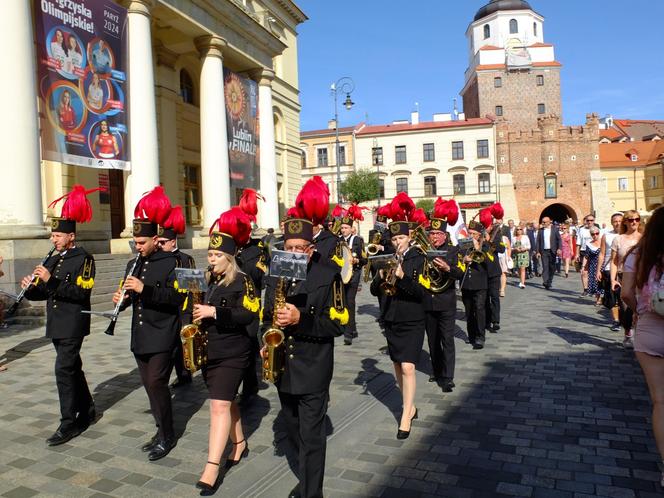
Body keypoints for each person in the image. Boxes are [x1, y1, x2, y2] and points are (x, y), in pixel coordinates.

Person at [261, 212, 348, 498]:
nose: (295, 253)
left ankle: (312, 492)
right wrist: (265, 340)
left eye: (301, 248)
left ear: (311, 250)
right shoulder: (276, 271)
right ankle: (307, 475)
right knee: (293, 427)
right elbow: (266, 315)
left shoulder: (329, 275)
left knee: (312, 436)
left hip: (313, 367)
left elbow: (337, 324)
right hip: (283, 364)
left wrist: (302, 319)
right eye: (290, 248)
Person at [20, 186, 97, 445]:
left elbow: (80, 293)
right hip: (56, 323)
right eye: (52, 235)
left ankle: (69, 422)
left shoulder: (84, 259)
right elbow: (45, 294)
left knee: (63, 370)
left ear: (71, 236)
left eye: (58, 235)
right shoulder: (53, 259)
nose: (54, 240)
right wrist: (30, 289)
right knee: (72, 367)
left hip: (73, 322)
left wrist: (50, 280)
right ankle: (87, 408)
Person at [113, 186, 185, 461]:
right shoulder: (134, 263)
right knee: (149, 386)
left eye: (142, 242)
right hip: (140, 334)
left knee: (157, 383)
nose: (137, 247)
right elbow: (133, 296)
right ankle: (160, 429)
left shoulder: (171, 262)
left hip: (163, 334)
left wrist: (145, 290)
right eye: (135, 242)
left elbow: (176, 297)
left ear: (156, 239)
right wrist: (123, 298)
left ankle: (167, 435)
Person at [194, 207, 258, 493]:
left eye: (217, 256)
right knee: (226, 399)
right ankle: (240, 441)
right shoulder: (208, 280)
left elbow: (248, 315)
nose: (212, 260)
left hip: (234, 350)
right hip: (211, 349)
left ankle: (211, 466)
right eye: (210, 255)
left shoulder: (243, 280)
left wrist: (214, 312)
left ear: (229, 257)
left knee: (218, 405)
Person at [370, 215, 426, 438]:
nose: (397, 242)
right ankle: (409, 405)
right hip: (391, 317)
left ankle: (405, 415)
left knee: (408, 367)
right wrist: (380, 275)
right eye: (394, 239)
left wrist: (402, 277)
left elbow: (421, 293)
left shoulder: (418, 257)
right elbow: (375, 291)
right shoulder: (387, 257)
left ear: (409, 237)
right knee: (397, 364)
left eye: (401, 237)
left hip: (412, 318)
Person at [620, 206, 664, 488]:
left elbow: (625, 293)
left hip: (650, 329)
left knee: (661, 401)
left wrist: (639, 312)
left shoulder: (638, 254)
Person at [422, 200, 464, 392]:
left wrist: (448, 268)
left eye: (438, 234)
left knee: (447, 338)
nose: (435, 237)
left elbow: (460, 273)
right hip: (428, 300)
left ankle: (447, 377)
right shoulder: (423, 251)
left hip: (446, 301)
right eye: (432, 233)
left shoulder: (454, 250)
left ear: (445, 235)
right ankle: (437, 370)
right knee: (432, 339)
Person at [235, 189, 269, 404]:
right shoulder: (232, 249)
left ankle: (250, 386)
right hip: (231, 300)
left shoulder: (259, 250)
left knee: (248, 342)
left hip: (250, 301)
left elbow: (258, 276)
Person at [157, 205, 195, 389]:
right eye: (158, 242)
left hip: (183, 307)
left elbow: (192, 288)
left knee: (182, 343)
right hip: (164, 307)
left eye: (163, 242)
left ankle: (184, 373)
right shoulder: (156, 259)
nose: (160, 245)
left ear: (173, 242)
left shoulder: (185, 259)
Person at [610, 209, 643, 349]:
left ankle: (641, 335)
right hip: (624, 276)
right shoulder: (619, 239)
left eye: (636, 219)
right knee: (626, 307)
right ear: (625, 222)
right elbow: (614, 261)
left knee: (643, 306)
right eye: (630, 220)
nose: (634, 222)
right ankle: (628, 333)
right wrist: (613, 279)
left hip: (642, 277)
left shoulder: (644, 238)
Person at [339, 208, 367, 345]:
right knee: (343, 302)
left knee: (350, 302)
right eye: (342, 228)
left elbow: (365, 260)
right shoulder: (337, 240)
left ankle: (348, 333)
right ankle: (352, 328)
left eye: (346, 228)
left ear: (352, 229)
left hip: (354, 275)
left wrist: (357, 261)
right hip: (341, 275)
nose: (343, 230)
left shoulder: (357, 240)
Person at [460, 220, 489, 349]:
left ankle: (480, 337)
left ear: (479, 235)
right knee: (469, 310)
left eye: (474, 234)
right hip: (466, 283)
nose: (471, 236)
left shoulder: (486, 246)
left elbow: (489, 263)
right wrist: (463, 259)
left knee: (479, 309)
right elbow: (456, 258)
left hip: (480, 284)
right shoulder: (463, 246)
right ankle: (471, 335)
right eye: (469, 233)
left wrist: (478, 248)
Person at [482, 204, 506, 333]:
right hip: (482, 271)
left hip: (494, 271)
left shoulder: (497, 234)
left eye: (489, 225)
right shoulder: (479, 235)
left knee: (494, 297)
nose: (488, 227)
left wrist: (490, 241)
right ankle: (486, 320)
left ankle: (496, 320)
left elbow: (502, 249)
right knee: (485, 298)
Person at [598, 213, 623, 331]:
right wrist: (599, 269)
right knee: (612, 296)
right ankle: (616, 320)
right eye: (615, 221)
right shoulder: (606, 236)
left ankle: (626, 318)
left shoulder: (628, 235)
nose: (617, 223)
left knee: (624, 296)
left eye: (619, 221)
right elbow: (602, 254)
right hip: (609, 268)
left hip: (625, 270)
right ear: (612, 222)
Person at [536, 216, 562, 290]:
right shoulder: (540, 230)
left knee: (552, 267)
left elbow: (559, 240)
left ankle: (549, 281)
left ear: (549, 222)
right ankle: (545, 281)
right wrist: (538, 251)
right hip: (544, 251)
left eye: (544, 222)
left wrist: (559, 249)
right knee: (545, 266)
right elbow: (538, 241)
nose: (543, 223)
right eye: (542, 222)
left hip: (552, 251)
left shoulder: (555, 229)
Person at [575, 214, 596, 295]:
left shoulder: (597, 229)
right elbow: (578, 242)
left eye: (591, 220)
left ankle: (594, 288)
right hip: (583, 251)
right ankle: (585, 289)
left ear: (594, 221)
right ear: (586, 221)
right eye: (588, 220)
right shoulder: (582, 230)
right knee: (583, 271)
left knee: (594, 272)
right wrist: (577, 254)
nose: (589, 222)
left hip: (594, 252)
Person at [584, 227, 603, 305]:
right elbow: (586, 256)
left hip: (603, 264)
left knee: (603, 282)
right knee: (595, 282)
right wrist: (584, 267)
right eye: (593, 234)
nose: (595, 235)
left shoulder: (603, 242)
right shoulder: (589, 244)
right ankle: (598, 299)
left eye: (597, 233)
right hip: (592, 265)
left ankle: (605, 298)